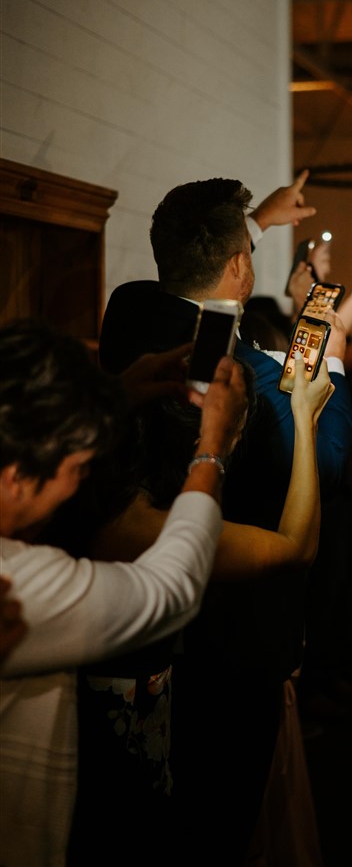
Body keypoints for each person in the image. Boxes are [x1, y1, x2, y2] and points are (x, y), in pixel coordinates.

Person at [93, 175, 352, 864]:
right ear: (241, 265)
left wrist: (256, 224)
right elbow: (323, 467)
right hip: (229, 643)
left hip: (134, 646)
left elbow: (189, 280)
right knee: (217, 825)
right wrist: (335, 353)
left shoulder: (130, 316)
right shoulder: (255, 384)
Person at [0, 319, 247, 867]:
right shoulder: (18, 584)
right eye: (78, 468)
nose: (77, 485)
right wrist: (213, 450)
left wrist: (112, 395)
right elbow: (169, 590)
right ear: (16, 476)